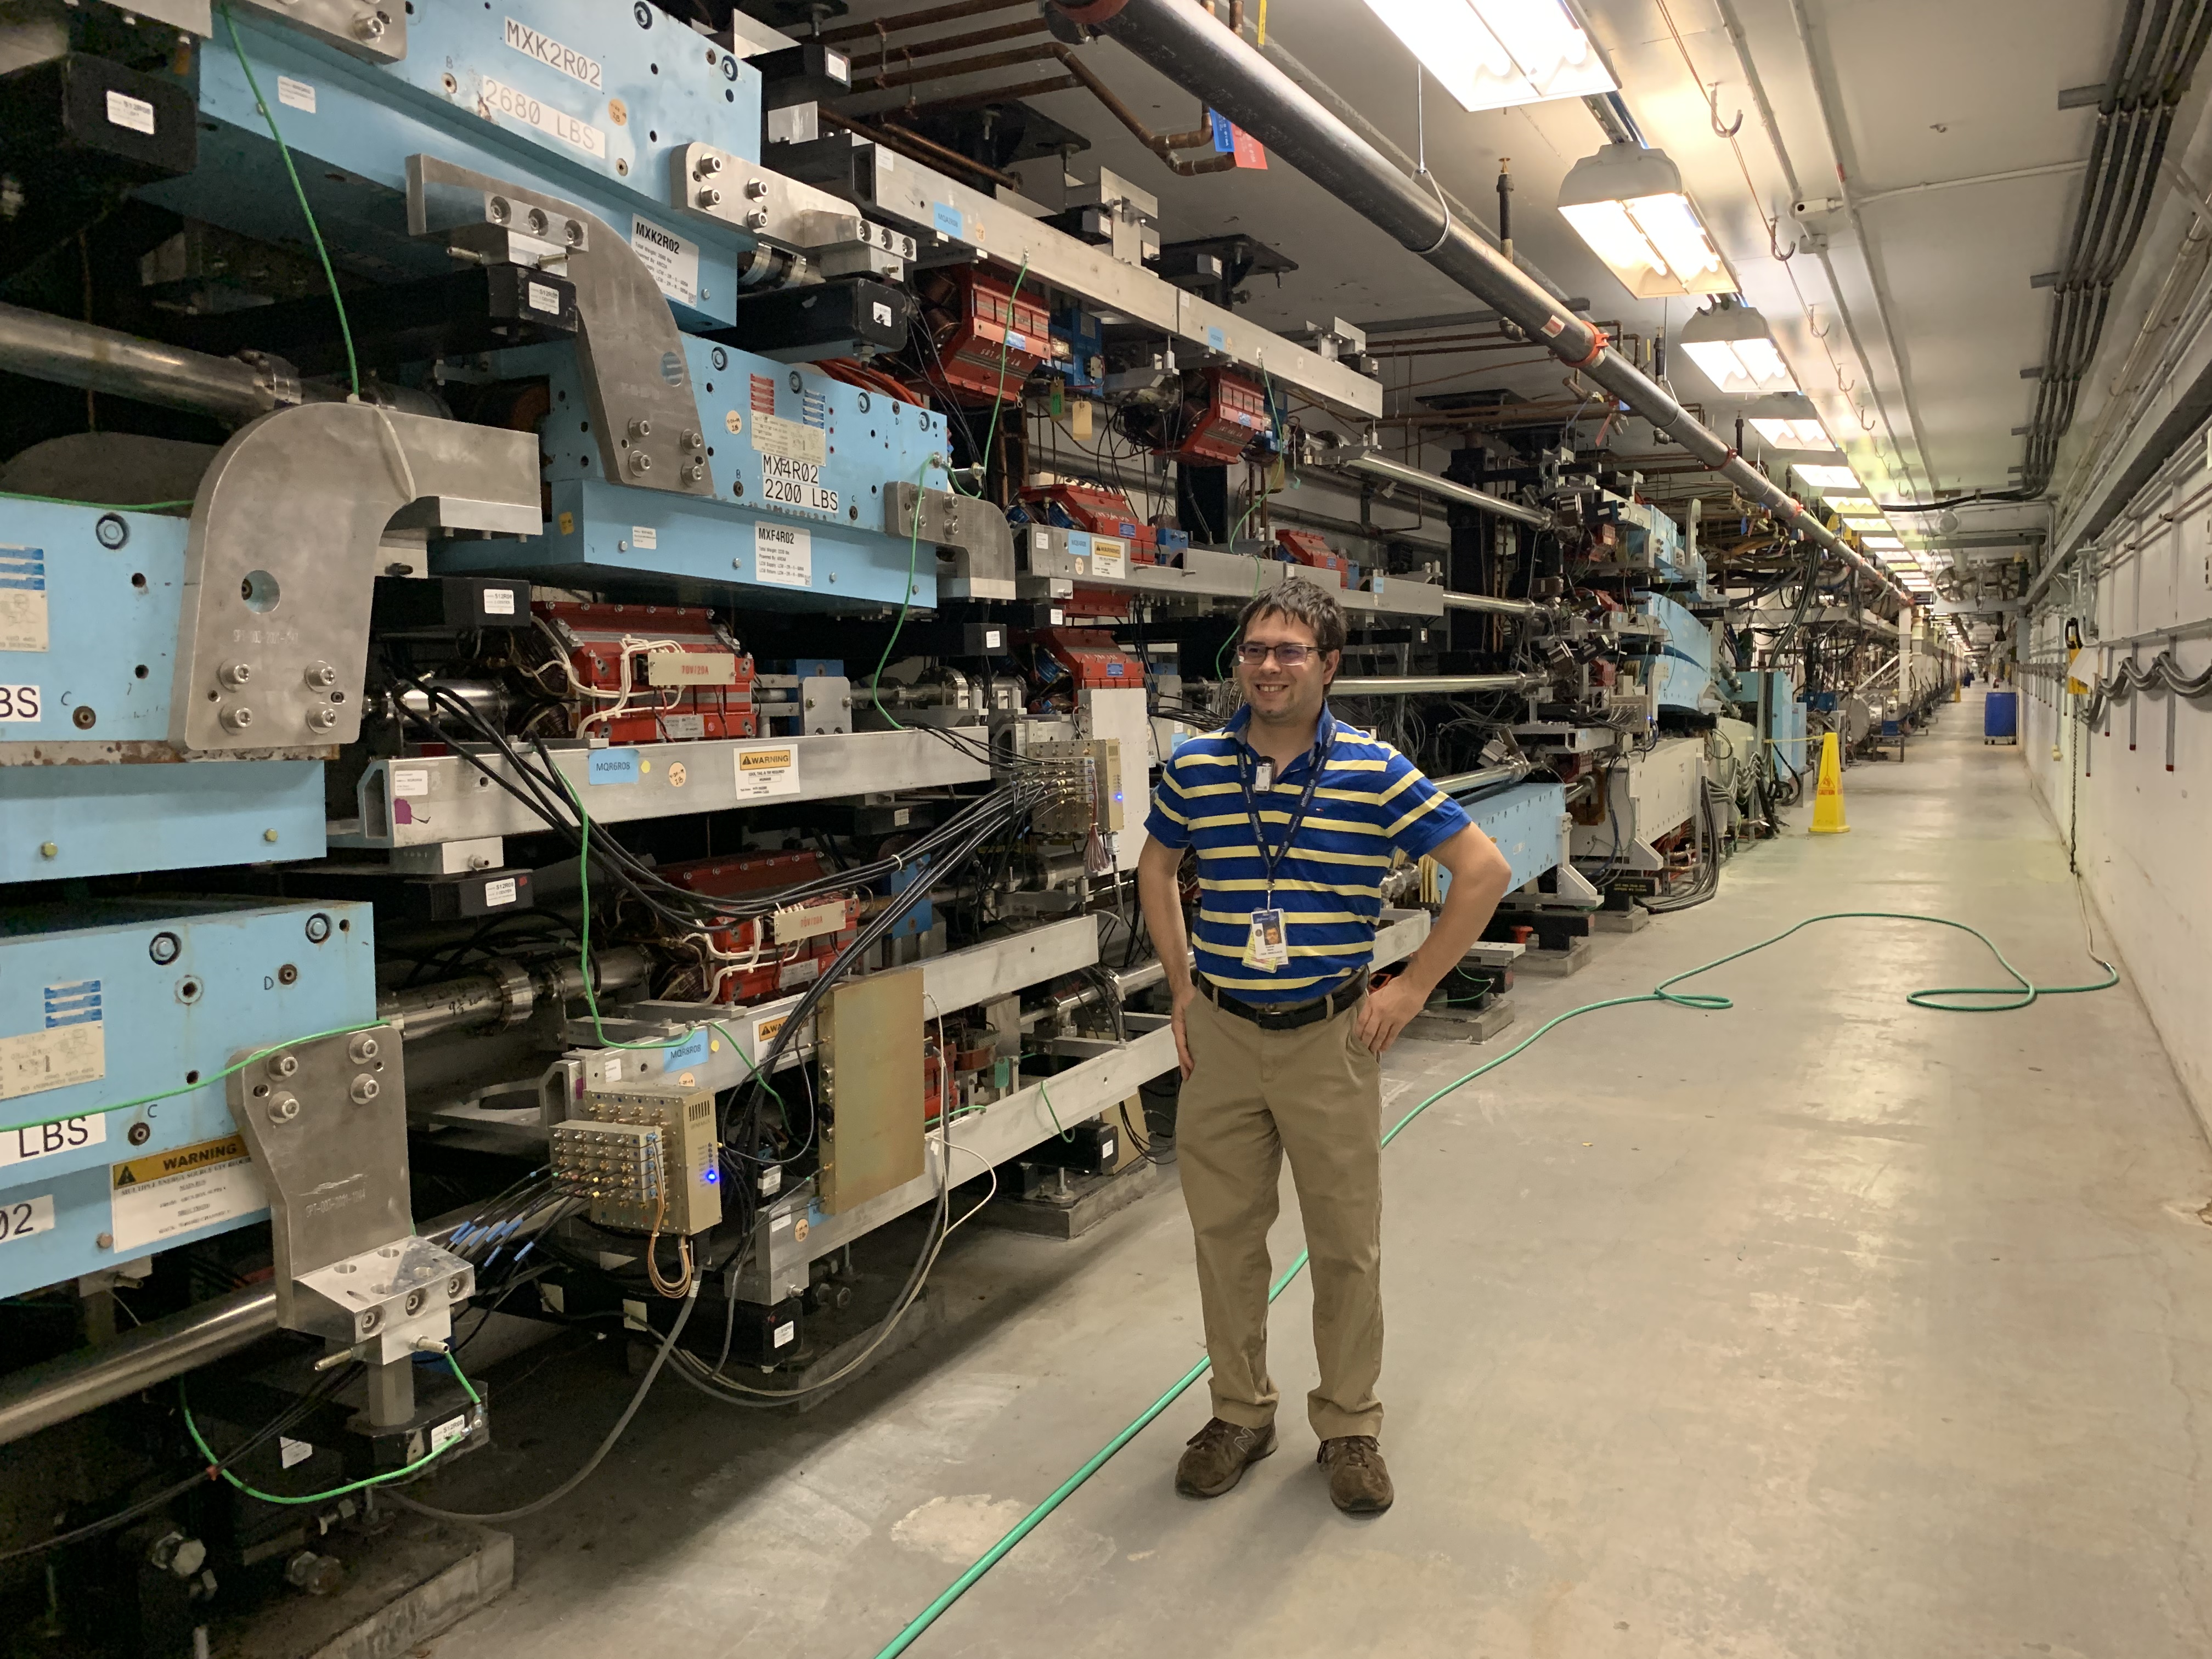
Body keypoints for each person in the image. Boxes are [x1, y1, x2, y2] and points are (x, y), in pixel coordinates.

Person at [1136, 578, 1514, 1515]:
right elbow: (1157, 865)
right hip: (1223, 1034)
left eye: (1289, 651)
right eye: (1255, 650)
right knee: (1225, 1239)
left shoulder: (1375, 771)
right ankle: (1240, 1413)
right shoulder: (1196, 766)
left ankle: (1349, 1426)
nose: (1268, 667)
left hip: (1327, 1037)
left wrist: (1413, 985)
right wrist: (1180, 985)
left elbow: (1484, 870)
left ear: (1329, 665)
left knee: (1345, 1244)